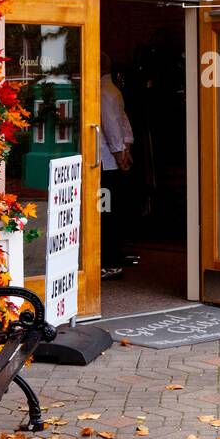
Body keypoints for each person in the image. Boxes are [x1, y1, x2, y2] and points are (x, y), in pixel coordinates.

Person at [99, 52, 135, 278]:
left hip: (108, 159)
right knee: (109, 210)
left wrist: (122, 150)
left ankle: (110, 257)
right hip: (109, 159)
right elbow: (117, 123)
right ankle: (109, 257)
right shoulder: (110, 92)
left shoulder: (106, 92)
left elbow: (115, 123)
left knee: (108, 210)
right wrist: (124, 148)